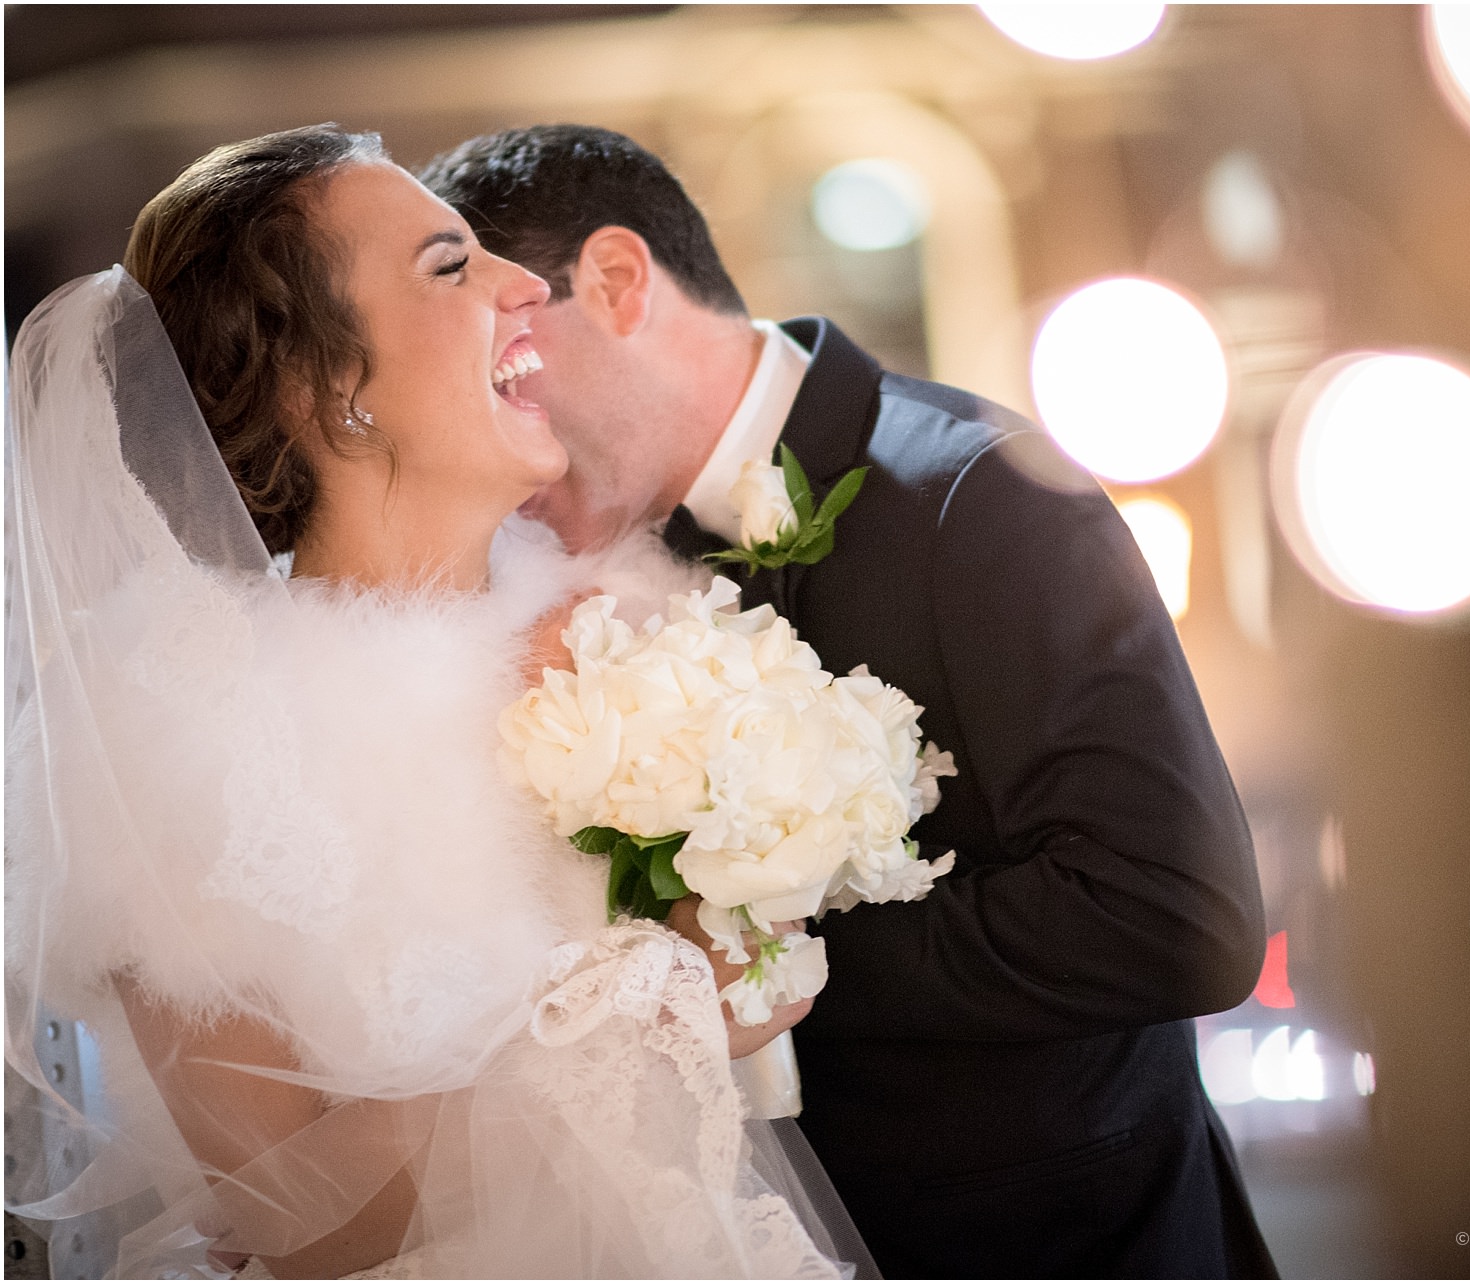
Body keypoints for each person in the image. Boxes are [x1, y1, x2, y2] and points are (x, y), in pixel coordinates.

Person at [4, 125, 864, 1279]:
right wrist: (661, 1006)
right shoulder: (175, 719)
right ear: (328, 386)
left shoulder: (631, 625)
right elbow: (293, 1216)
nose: (522, 285)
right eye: (450, 267)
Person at [421, 124, 1279, 1279]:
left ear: (618, 282)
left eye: (505, 371)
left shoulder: (979, 495)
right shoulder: (603, 579)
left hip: (1069, 1238)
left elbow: (1175, 916)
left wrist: (746, 965)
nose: (500, 426)